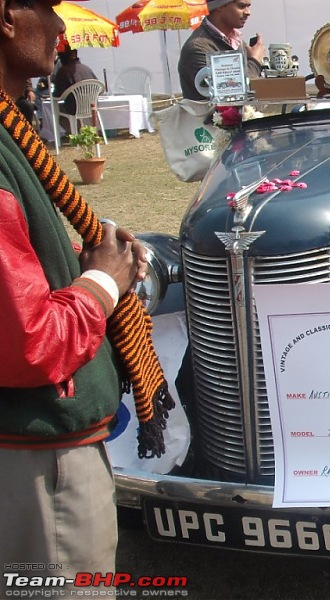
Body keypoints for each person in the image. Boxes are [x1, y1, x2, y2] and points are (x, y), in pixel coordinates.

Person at [0, 0, 172, 595]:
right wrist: (101, 281)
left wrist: (73, 268)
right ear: (6, 16)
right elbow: (29, 343)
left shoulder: (10, 131)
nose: (61, 29)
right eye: (48, 9)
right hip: (39, 454)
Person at [177, 0, 265, 101]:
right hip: (211, 116)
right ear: (219, 6)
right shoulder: (197, 48)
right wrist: (255, 61)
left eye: (248, 6)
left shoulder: (235, 41)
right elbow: (233, 96)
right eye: (241, 6)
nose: (248, 12)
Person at [52, 46, 97, 116]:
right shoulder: (87, 68)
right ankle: (82, 125)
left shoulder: (62, 71)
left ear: (62, 58)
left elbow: (57, 95)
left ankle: (72, 126)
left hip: (73, 109)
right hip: (92, 106)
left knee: (53, 110)